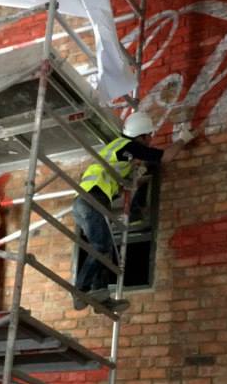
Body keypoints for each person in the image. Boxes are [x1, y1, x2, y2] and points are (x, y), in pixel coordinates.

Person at [72, 111, 194, 311]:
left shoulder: (119, 149)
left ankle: (100, 295)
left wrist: (132, 176)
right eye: (149, 137)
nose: (150, 140)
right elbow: (166, 157)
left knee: (106, 248)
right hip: (92, 199)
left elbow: (116, 185)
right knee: (101, 247)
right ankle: (80, 290)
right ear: (143, 135)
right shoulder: (129, 146)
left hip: (86, 201)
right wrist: (182, 140)